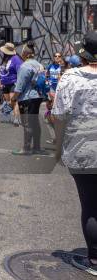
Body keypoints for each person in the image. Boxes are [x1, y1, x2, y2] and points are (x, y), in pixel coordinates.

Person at [52, 31, 97, 275]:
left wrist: (57, 148)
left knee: (91, 206)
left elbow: (59, 116)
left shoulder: (71, 78)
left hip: (84, 152)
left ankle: (95, 260)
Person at [10, 42, 47, 155]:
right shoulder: (39, 65)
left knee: (27, 123)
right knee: (35, 122)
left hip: (27, 98)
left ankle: (26, 149)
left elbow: (19, 87)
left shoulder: (25, 66)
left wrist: (13, 99)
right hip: (38, 97)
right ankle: (37, 147)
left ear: (25, 54)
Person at [0, 42, 23, 126]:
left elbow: (20, 71)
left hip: (13, 83)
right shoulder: (5, 59)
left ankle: (16, 119)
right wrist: (0, 81)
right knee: (8, 101)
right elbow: (2, 71)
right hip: (5, 84)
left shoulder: (16, 59)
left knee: (14, 101)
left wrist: (19, 83)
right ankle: (7, 115)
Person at [44, 52, 64, 123]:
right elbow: (46, 74)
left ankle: (53, 116)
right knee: (51, 101)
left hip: (59, 87)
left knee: (55, 102)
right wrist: (47, 82)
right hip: (51, 87)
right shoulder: (50, 66)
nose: (57, 57)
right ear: (53, 57)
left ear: (61, 57)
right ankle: (49, 112)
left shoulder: (62, 66)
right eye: (56, 56)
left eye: (59, 56)